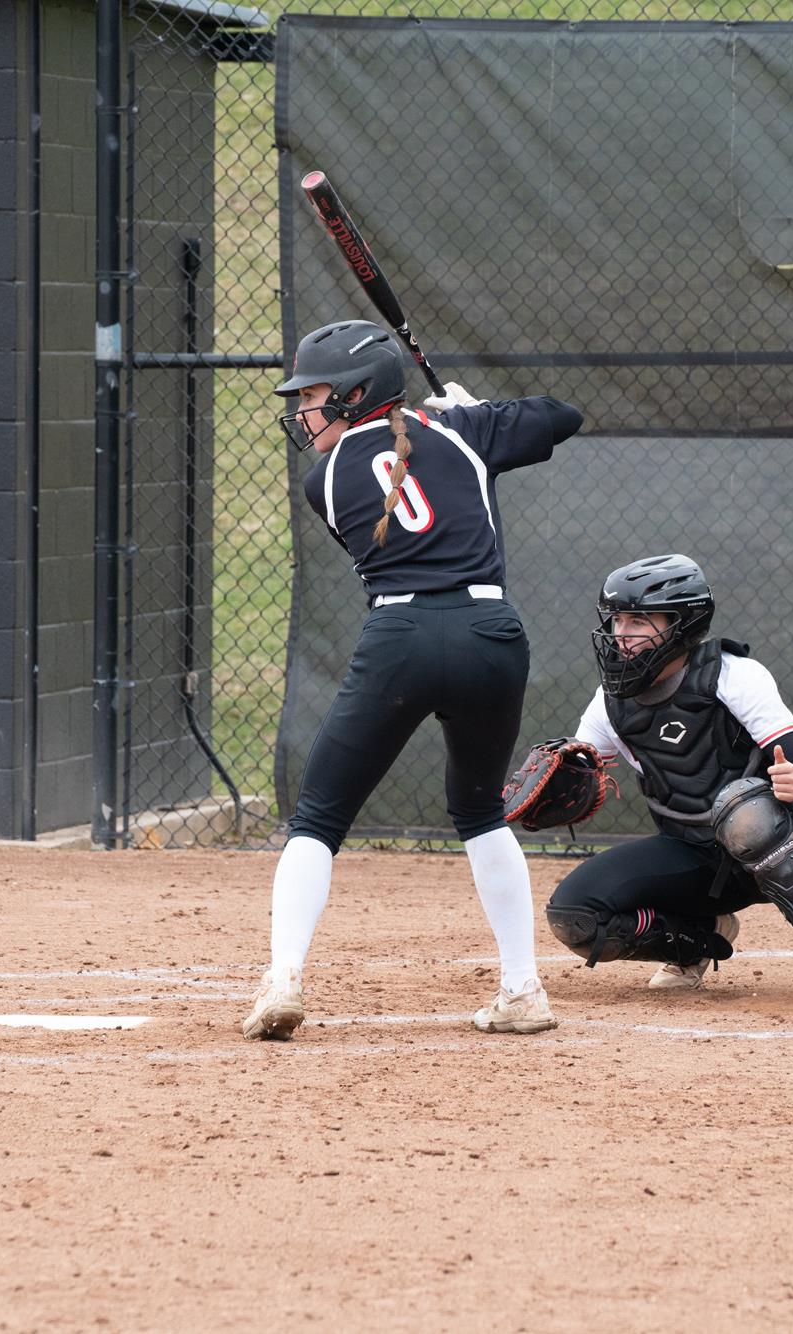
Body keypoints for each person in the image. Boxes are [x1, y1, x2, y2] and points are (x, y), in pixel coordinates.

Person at [240, 320, 584, 1040]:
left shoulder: (321, 482)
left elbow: (406, 481)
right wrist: (472, 415)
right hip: (493, 636)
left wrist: (449, 423)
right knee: (481, 809)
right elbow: (562, 417)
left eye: (317, 394)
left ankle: (282, 980)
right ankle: (522, 988)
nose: (304, 410)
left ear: (358, 394)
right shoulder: (459, 432)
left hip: (400, 639)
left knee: (319, 818)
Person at [536, 555, 793, 1006]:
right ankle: (698, 939)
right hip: (693, 855)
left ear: (683, 622)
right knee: (574, 916)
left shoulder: (733, 675)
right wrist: (562, 784)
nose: (621, 633)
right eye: (617, 618)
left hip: (777, 838)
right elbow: (584, 770)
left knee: (744, 808)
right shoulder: (611, 700)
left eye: (639, 620)